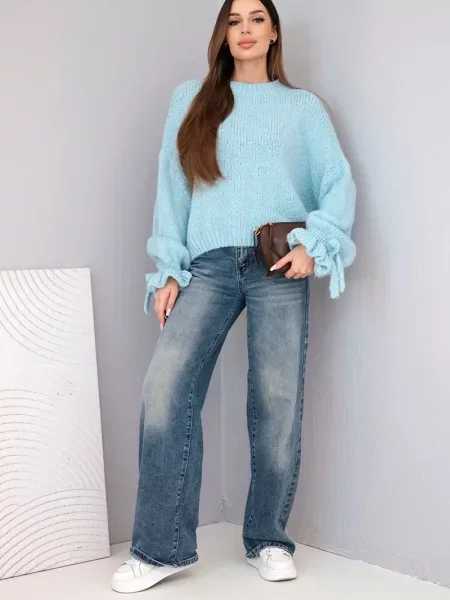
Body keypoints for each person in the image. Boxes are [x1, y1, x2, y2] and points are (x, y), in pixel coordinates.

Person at [112, 0, 356, 593]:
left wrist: (315, 245)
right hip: (209, 264)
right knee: (165, 389)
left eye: (256, 19)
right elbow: (172, 189)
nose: (244, 29)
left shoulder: (302, 108)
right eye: (234, 20)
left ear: (274, 34)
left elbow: (337, 182)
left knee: (277, 402)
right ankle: (161, 549)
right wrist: (169, 271)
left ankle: (267, 538)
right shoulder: (192, 99)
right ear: (223, 34)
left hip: (277, 263)